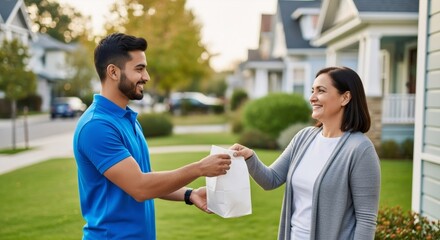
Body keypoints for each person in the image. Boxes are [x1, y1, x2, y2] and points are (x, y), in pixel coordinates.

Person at [73, 33, 231, 239]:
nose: (146, 77)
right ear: (113, 72)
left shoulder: (126, 118)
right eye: (139, 69)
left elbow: (146, 177)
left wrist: (189, 195)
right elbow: (140, 187)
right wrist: (200, 168)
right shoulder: (96, 126)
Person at [231, 66, 381, 240]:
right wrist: (250, 157)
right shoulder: (304, 137)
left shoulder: (360, 149)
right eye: (312, 91)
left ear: (345, 97)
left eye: (321, 91)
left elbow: (366, 219)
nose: (312, 98)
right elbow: (271, 180)